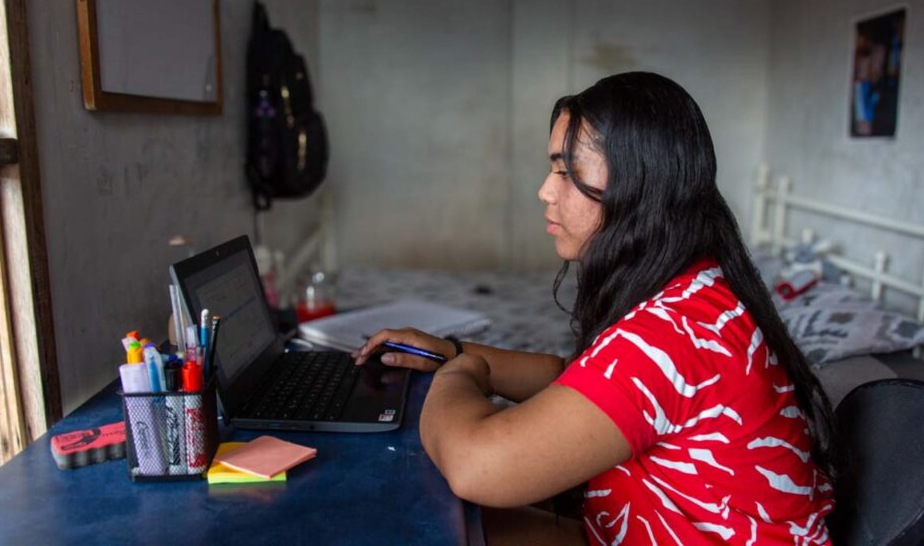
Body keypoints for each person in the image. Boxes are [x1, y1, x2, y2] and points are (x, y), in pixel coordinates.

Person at [353, 72, 837, 545]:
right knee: (431, 518)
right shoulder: (692, 287)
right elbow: (580, 381)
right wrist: (449, 348)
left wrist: (458, 373)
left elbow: (476, 466)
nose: (546, 190)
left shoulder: (677, 329)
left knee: (423, 507)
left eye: (567, 171)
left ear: (638, 183)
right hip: (630, 527)